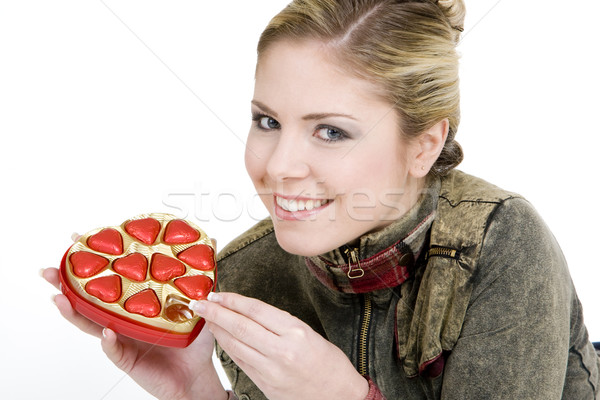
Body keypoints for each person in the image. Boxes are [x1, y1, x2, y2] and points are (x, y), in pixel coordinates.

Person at [43, 0, 600, 399]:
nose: (279, 165)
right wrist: (196, 390)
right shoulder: (245, 271)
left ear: (424, 146)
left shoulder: (501, 243)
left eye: (330, 131)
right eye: (267, 121)